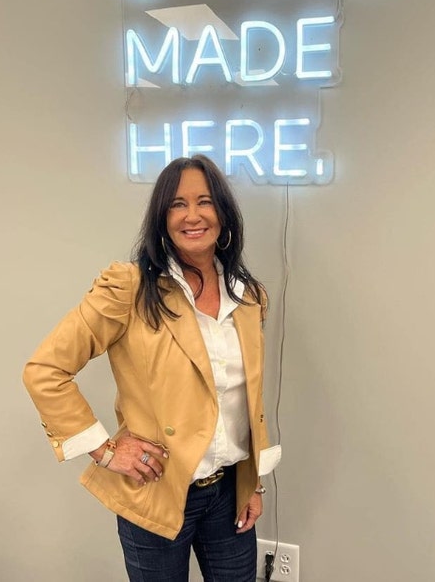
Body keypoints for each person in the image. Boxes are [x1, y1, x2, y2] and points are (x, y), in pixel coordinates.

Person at [23, 154, 282, 581]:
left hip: (230, 492)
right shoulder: (130, 288)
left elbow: (244, 400)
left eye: (205, 201)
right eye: (177, 204)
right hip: (155, 491)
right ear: (161, 219)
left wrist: (253, 483)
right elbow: (45, 370)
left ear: (224, 213)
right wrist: (106, 451)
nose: (192, 215)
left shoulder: (249, 296)